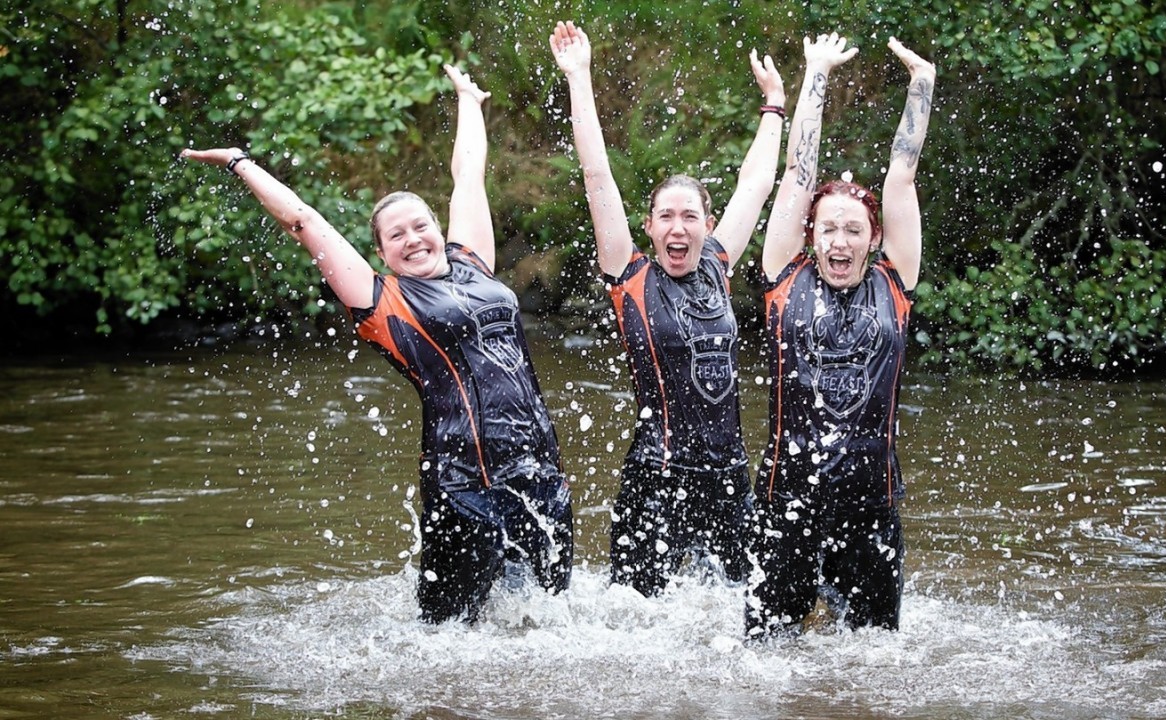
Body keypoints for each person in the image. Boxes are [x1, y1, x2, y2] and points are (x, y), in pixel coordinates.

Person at [181, 64, 573, 624]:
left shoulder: (473, 264)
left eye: (420, 226)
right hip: (464, 488)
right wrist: (241, 162)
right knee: (446, 643)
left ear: (437, 228)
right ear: (384, 254)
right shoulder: (384, 304)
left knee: (550, 631)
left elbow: (468, 177)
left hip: (539, 475)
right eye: (397, 236)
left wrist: (467, 100)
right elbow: (303, 220)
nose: (414, 240)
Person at [548, 21, 785, 596]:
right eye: (666, 218)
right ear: (649, 227)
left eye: (691, 217)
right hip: (657, 477)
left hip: (731, 477)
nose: (679, 228)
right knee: (639, 628)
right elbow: (596, 173)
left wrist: (775, 106)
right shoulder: (629, 278)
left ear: (706, 224)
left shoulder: (718, 270)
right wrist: (579, 76)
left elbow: (755, 184)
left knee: (743, 617)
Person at [744, 33, 936, 636]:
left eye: (854, 230)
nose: (840, 242)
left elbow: (900, 177)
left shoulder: (896, 282)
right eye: (829, 230)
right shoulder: (783, 275)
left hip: (870, 508)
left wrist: (922, 86)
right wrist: (817, 73)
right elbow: (799, 174)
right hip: (785, 507)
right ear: (811, 237)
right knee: (766, 659)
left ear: (873, 239)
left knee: (873, 663)